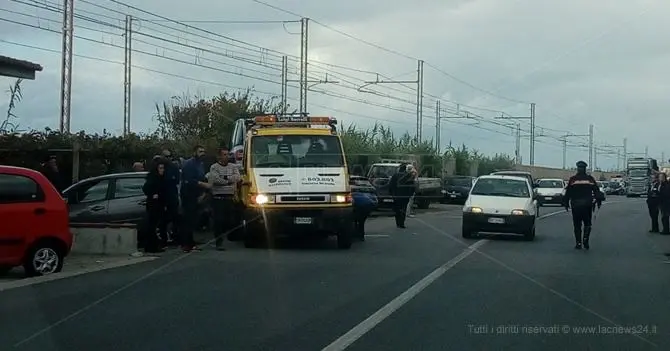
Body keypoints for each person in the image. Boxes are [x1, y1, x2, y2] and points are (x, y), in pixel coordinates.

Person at [562, 161, 604, 250]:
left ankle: (578, 242)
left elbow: (568, 192)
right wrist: (599, 201)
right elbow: (596, 191)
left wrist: (565, 203)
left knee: (577, 225)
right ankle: (585, 240)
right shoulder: (590, 179)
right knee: (587, 223)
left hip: (576, 205)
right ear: (585, 169)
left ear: (578, 168)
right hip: (587, 205)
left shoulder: (573, 179)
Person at [208, 146, 241, 250]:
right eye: (224, 155)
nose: (227, 157)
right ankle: (219, 242)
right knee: (218, 221)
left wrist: (225, 178)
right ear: (219, 156)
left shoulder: (233, 166)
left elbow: (238, 177)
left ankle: (228, 236)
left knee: (229, 220)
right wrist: (229, 180)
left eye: (228, 154)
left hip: (229, 197)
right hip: (218, 198)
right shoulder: (214, 167)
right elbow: (216, 180)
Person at [180, 145, 211, 253]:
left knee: (194, 220)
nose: (202, 153)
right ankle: (186, 245)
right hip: (188, 195)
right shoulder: (189, 164)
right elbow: (188, 180)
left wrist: (203, 193)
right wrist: (203, 185)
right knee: (188, 220)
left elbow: (202, 177)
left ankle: (191, 243)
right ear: (194, 152)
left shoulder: (201, 164)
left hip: (197, 195)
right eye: (200, 151)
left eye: (203, 151)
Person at [141, 160, 168, 253]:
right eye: (160, 168)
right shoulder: (153, 178)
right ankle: (151, 246)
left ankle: (156, 245)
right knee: (152, 226)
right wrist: (153, 194)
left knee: (156, 226)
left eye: (163, 168)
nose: (162, 170)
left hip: (159, 204)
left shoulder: (161, 178)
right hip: (154, 205)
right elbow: (146, 188)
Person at [159, 148, 181, 247]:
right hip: (162, 196)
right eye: (166, 156)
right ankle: (163, 240)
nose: (168, 158)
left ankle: (175, 238)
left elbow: (176, 180)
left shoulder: (173, 167)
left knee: (175, 218)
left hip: (172, 195)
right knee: (162, 219)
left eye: (169, 156)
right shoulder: (158, 166)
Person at [389, 163, 416, 229]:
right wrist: (411, 194)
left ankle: (398, 223)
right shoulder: (408, 176)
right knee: (403, 208)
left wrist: (391, 194)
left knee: (397, 209)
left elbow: (391, 185)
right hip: (405, 196)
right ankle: (402, 223)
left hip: (396, 196)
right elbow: (412, 186)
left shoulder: (395, 175)